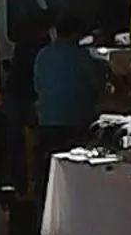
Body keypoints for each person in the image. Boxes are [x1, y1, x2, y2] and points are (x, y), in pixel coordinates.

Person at [32, 19, 99, 199]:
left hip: (47, 122)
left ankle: (43, 212)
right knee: (74, 176)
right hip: (76, 123)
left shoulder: (43, 55)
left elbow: (38, 87)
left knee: (47, 176)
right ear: (76, 35)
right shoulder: (82, 57)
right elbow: (97, 85)